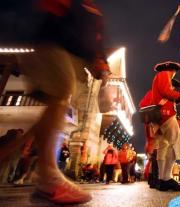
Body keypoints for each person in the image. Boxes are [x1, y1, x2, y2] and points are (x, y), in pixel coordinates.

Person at [0, 0, 110, 204]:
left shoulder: (93, 11)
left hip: (65, 50)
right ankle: (49, 178)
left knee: (58, 101)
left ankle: (44, 176)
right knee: (62, 89)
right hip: (49, 42)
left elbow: (94, 38)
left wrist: (99, 59)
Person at [151, 61, 180, 191]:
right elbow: (166, 91)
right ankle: (167, 178)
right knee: (176, 142)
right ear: (171, 70)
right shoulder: (164, 74)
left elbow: (165, 95)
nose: (173, 75)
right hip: (166, 115)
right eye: (174, 72)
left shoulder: (160, 76)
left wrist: (177, 97)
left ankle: (162, 179)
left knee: (163, 146)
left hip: (159, 116)